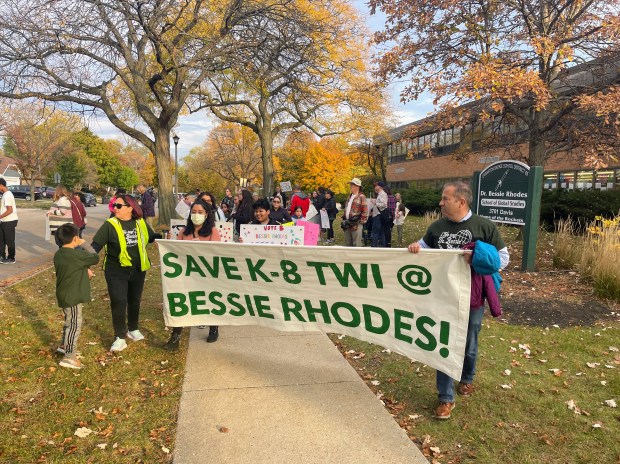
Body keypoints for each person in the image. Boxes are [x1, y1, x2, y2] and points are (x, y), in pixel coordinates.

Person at [407, 181, 509, 420]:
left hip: (471, 296)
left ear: (461, 202)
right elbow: (423, 248)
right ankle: (445, 397)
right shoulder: (437, 227)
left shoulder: (484, 226)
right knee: (442, 341)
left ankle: (467, 377)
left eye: (445, 198)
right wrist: (414, 248)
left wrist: (477, 258)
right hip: (441, 295)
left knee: (469, 342)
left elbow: (503, 259)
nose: (441, 203)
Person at [91, 194, 161, 352]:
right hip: (116, 270)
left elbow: (151, 237)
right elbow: (95, 246)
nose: (114, 208)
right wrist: (86, 263)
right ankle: (120, 336)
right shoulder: (110, 225)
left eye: (119, 206)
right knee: (119, 301)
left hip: (138, 269)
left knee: (134, 300)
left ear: (130, 208)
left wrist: (163, 240)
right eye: (114, 205)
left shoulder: (139, 222)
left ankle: (133, 328)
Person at [164, 200, 221, 350]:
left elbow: (217, 253)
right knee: (182, 303)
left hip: (206, 275)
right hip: (186, 274)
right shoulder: (184, 231)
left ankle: (213, 327)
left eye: (200, 212)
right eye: (194, 212)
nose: (196, 215)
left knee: (210, 301)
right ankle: (175, 336)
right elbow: (175, 252)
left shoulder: (213, 231)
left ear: (207, 214)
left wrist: (200, 248)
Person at [54, 223, 99, 369]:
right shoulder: (76, 254)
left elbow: (72, 267)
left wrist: (84, 270)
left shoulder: (60, 254)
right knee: (74, 324)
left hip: (64, 294)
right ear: (75, 238)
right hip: (72, 295)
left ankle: (64, 345)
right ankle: (69, 356)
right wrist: (83, 242)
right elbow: (94, 257)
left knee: (69, 321)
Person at [341, 178, 368, 247]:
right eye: (350, 185)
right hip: (347, 223)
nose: (350, 186)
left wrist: (360, 222)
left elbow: (365, 211)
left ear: (357, 186)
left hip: (356, 224)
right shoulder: (350, 196)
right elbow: (347, 209)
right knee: (348, 244)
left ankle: (356, 258)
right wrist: (344, 217)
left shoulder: (362, 197)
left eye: (352, 185)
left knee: (357, 245)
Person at [0, 178, 18, 264]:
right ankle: (2, 256)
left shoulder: (7, 195)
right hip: (3, 221)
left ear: (1, 185)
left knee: (9, 240)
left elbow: (9, 210)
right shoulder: (4, 194)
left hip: (9, 221)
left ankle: (11, 257)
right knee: (1, 240)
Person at [373, 181, 389, 247]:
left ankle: (375, 246)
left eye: (376, 185)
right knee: (381, 231)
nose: (375, 187)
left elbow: (384, 204)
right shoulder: (380, 194)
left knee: (376, 232)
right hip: (379, 215)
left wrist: (375, 203)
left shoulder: (383, 194)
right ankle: (382, 246)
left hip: (379, 215)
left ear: (379, 187)